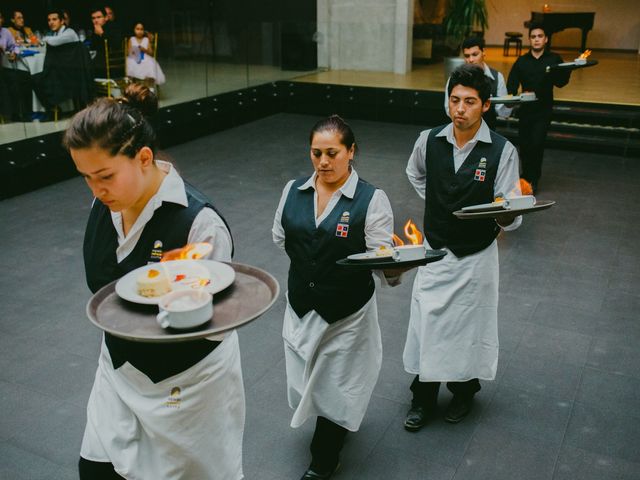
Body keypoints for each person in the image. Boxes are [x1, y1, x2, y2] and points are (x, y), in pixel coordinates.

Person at [64, 84, 245, 479]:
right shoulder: (105, 202)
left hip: (186, 385)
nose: (96, 190)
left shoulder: (199, 223)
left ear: (144, 158)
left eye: (105, 176)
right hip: (118, 368)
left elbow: (215, 329)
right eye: (86, 178)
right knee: (95, 471)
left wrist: (178, 301)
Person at [272, 115, 398, 480]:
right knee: (305, 381)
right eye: (316, 153)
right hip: (301, 306)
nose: (323, 162)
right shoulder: (292, 190)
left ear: (350, 151)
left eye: (332, 153)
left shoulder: (372, 200)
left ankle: (324, 457)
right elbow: (281, 236)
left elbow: (380, 257)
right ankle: (329, 429)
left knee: (338, 385)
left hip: (347, 313)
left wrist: (396, 268)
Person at [403, 64, 522, 432]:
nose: (460, 109)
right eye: (455, 100)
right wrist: (439, 202)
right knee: (428, 323)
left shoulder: (502, 151)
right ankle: (422, 397)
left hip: (476, 257)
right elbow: (415, 173)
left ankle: (463, 390)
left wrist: (504, 216)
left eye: (470, 102)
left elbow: (511, 212)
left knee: (469, 327)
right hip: (436, 250)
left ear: (485, 106)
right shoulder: (428, 140)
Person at [507, 22, 571, 192]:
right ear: (529, 39)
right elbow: (512, 85)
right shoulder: (521, 61)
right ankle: (525, 176)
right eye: (533, 37)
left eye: (540, 36)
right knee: (525, 145)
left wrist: (569, 69)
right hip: (525, 111)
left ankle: (532, 179)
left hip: (543, 110)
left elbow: (561, 83)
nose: (536, 40)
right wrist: (510, 97)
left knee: (537, 144)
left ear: (546, 39)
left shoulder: (553, 59)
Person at [444, 36, 511, 130]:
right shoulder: (455, 78)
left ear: (483, 52)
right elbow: (449, 109)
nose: (471, 60)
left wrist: (509, 105)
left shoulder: (497, 77)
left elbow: (503, 113)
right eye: (467, 56)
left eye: (475, 54)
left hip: (488, 133)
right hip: (461, 132)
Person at [126, 22, 166, 88]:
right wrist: (135, 50)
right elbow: (129, 52)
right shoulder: (131, 39)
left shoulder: (146, 39)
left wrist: (144, 49)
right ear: (134, 30)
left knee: (150, 63)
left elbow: (151, 52)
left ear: (144, 31)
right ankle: (134, 86)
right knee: (131, 62)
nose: (139, 31)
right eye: (137, 29)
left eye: (141, 29)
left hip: (145, 57)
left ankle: (149, 86)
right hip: (134, 57)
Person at [89, 7, 123, 78]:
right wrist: (96, 34)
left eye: (98, 17)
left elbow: (115, 45)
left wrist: (102, 33)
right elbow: (93, 48)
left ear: (106, 18)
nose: (96, 20)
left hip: (113, 64)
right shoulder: (95, 30)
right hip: (99, 64)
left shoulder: (113, 27)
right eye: (93, 18)